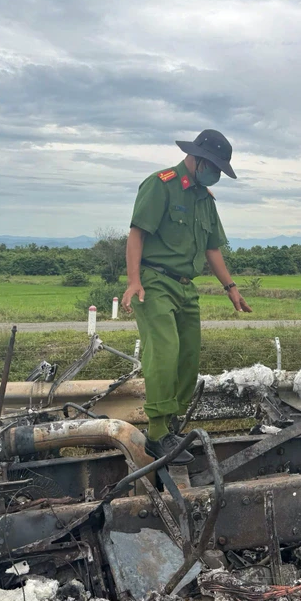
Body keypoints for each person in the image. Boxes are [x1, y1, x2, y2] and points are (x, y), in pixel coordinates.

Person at [121, 130, 252, 463]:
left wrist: (231, 288)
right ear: (196, 158)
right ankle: (156, 435)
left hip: (184, 285)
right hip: (154, 281)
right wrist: (134, 280)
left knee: (188, 356)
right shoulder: (160, 184)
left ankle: (171, 425)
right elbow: (137, 234)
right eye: (214, 167)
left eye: (220, 170)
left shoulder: (205, 199)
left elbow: (212, 248)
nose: (216, 174)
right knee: (164, 351)